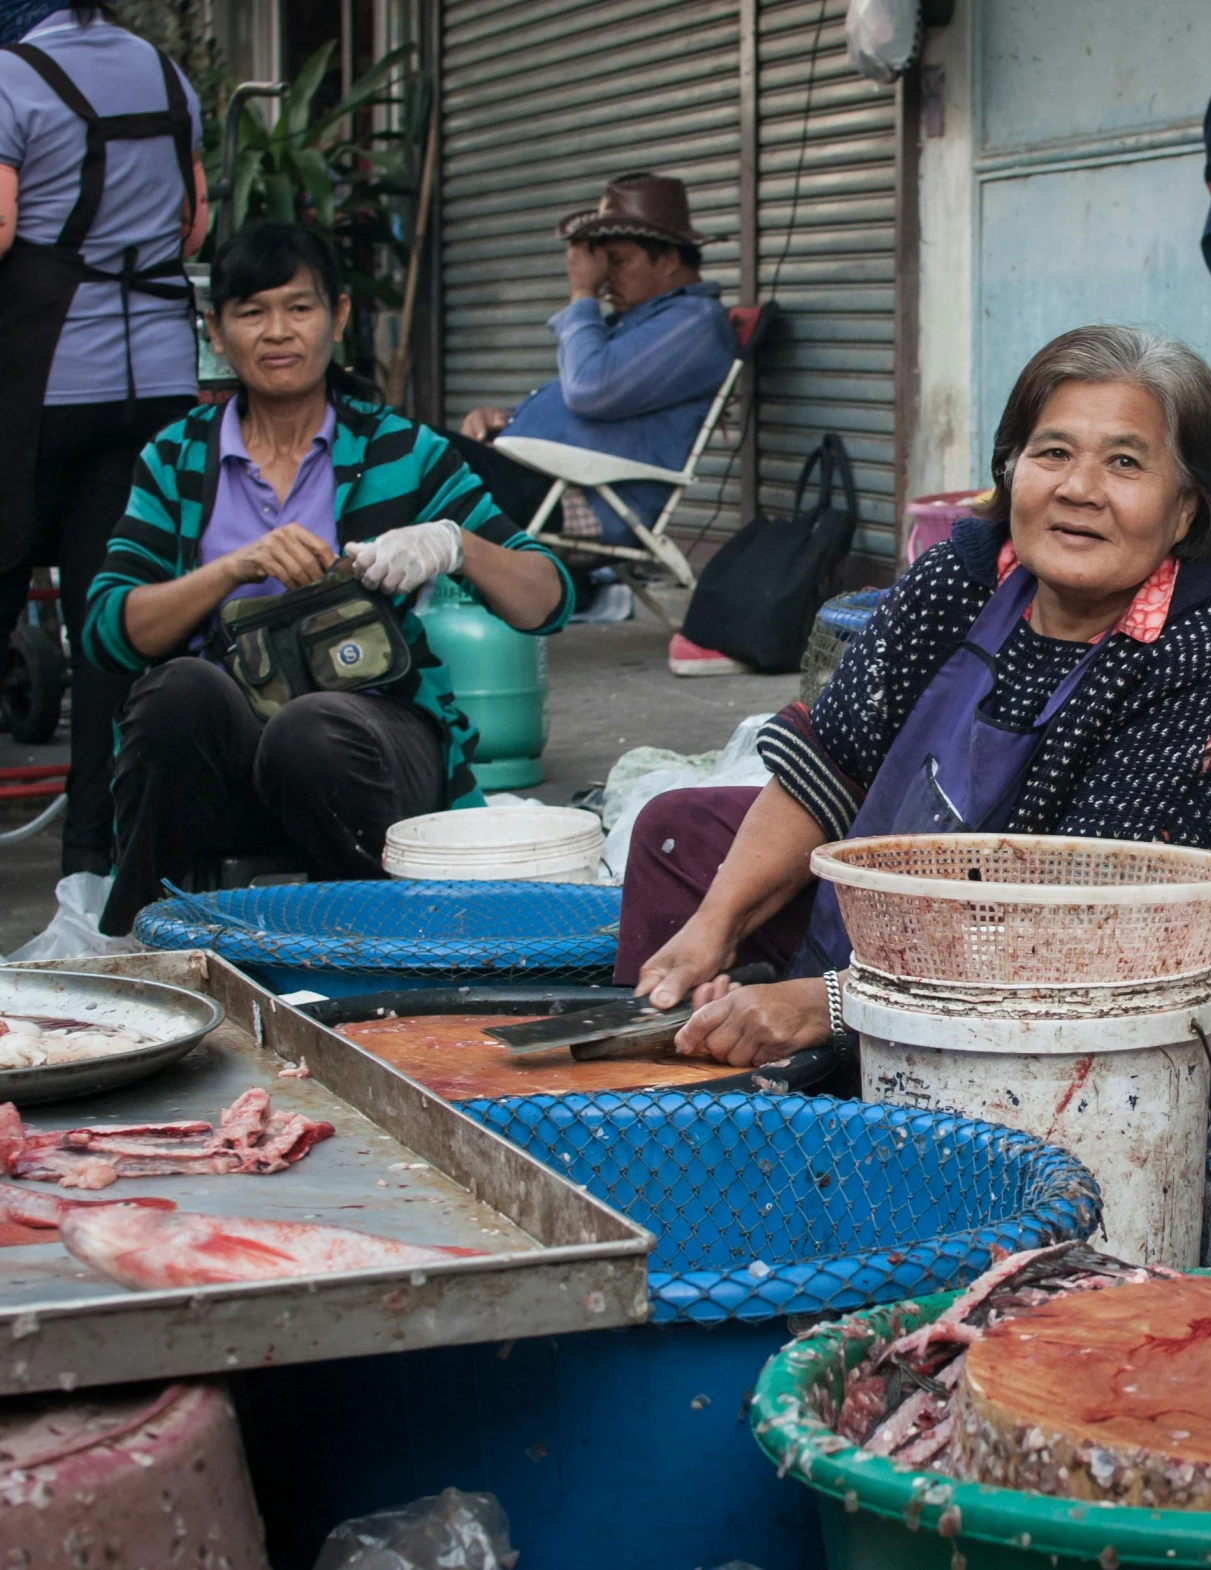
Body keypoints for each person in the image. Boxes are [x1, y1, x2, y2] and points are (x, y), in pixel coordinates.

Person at [618, 324, 1211, 1076]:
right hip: (944, 897)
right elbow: (832, 763)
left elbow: (1104, 935)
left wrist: (832, 1005)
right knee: (681, 835)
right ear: (1012, 468)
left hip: (1149, 971)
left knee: (1055, 1061)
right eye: (1051, 452)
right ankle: (670, 1066)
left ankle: (859, 1094)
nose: (1077, 489)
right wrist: (715, 925)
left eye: (1124, 463)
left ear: (1186, 508)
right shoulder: (963, 577)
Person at [81, 220, 574, 935]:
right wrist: (232, 568)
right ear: (215, 333)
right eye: (251, 312)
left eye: (299, 308)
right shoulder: (175, 459)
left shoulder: (397, 449)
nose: (278, 331)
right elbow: (109, 630)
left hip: (371, 745)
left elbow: (547, 597)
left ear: (337, 318)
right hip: (222, 759)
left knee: (309, 727)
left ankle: (379, 950)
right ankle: (144, 938)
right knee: (178, 691)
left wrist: (451, 543)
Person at [0, 0, 206, 875]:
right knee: (111, 630)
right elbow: (193, 226)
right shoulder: (170, 77)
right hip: (156, 380)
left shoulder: (9, 76)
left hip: (39, 377)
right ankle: (95, 865)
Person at [448, 171, 734, 550]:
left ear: (666, 259)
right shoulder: (644, 320)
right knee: (401, 451)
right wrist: (508, 420)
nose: (604, 279)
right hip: (544, 478)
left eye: (617, 261)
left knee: (410, 450)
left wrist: (582, 292)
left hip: (578, 498)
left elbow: (589, 388)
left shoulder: (694, 324)